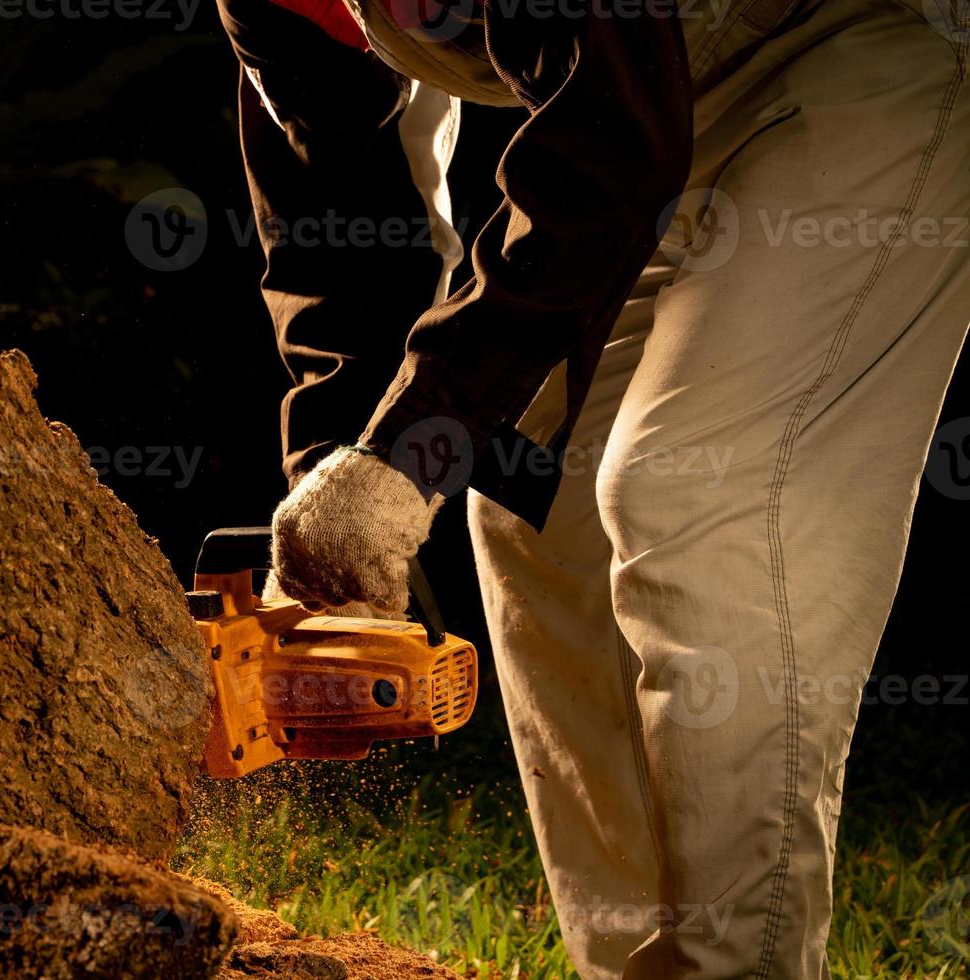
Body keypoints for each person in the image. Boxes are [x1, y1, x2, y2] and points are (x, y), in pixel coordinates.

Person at [216, 0, 970, 975]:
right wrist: (333, 498)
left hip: (863, 43)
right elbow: (326, 229)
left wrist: (409, 454)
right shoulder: (272, 9)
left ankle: (741, 960)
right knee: (532, 495)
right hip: (661, 102)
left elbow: (607, 145)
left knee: (697, 497)